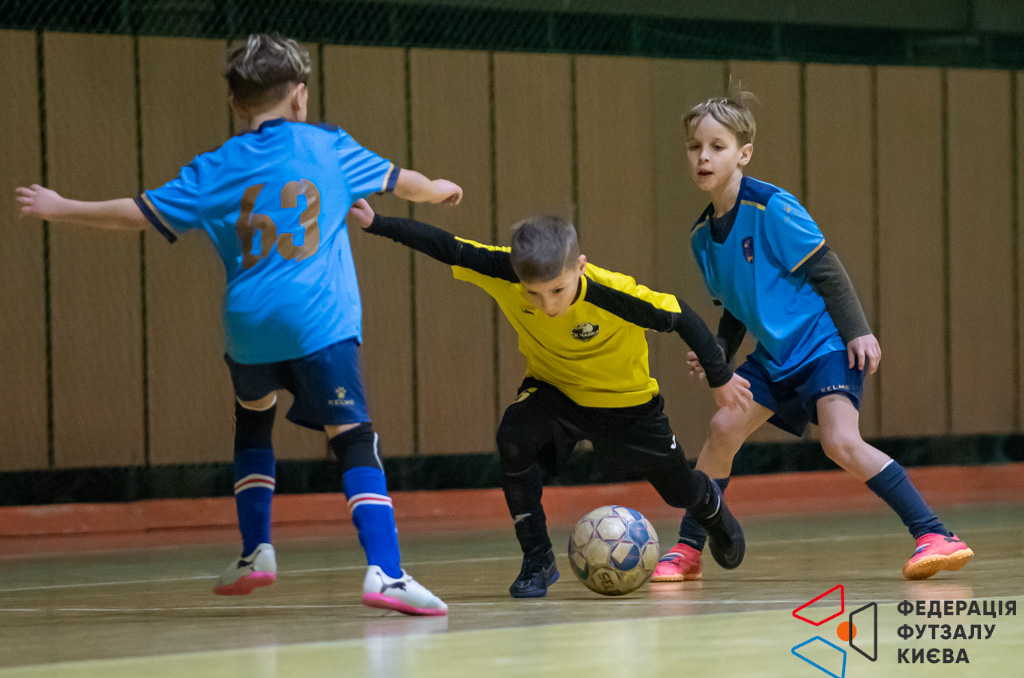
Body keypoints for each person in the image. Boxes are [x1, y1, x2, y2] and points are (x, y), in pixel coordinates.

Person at [16, 33, 463, 616]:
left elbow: (137, 214)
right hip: (318, 321)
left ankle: (256, 552)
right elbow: (406, 183)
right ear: (299, 96)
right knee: (352, 437)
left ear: (234, 103)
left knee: (254, 421)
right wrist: (438, 190)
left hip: (248, 328)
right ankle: (388, 573)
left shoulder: (214, 168)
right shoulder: (329, 146)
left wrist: (61, 207)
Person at [345, 198, 753, 598]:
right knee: (513, 436)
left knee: (679, 491)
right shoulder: (503, 270)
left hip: (626, 403)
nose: (548, 305)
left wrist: (719, 378)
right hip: (555, 390)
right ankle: (537, 559)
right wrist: (377, 223)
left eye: (558, 290)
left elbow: (682, 316)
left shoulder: (614, 292)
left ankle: (710, 506)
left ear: (581, 266)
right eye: (534, 294)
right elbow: (447, 246)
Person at [652, 92, 973, 583]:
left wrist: (857, 331)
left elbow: (825, 268)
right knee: (722, 430)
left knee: (840, 441)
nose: (703, 157)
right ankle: (688, 549)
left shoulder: (772, 206)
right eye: (695, 147)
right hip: (775, 356)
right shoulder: (701, 238)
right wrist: (720, 350)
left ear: (744, 153)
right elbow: (737, 305)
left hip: (823, 344)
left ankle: (935, 534)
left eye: (717, 146)